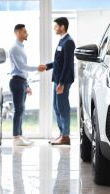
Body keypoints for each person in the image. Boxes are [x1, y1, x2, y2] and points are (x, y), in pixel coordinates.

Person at [39, 17, 75, 145]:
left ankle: (65, 136)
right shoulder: (62, 41)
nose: (54, 28)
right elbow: (59, 62)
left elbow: (67, 65)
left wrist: (62, 83)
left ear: (62, 27)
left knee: (63, 107)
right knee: (56, 106)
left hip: (63, 81)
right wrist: (47, 66)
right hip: (58, 80)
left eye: (56, 26)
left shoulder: (69, 42)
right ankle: (62, 134)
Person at [9, 24, 45, 146]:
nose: (27, 33)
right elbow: (21, 67)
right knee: (18, 109)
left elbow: (22, 69)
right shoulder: (14, 48)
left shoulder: (21, 47)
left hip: (22, 81)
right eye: (24, 32)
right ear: (18, 32)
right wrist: (37, 68)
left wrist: (27, 84)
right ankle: (16, 137)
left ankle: (20, 135)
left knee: (21, 109)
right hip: (17, 81)